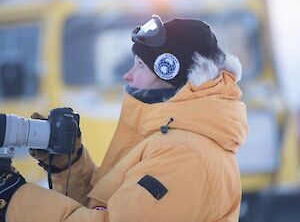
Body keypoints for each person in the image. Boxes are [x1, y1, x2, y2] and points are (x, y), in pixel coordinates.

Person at [0, 15, 247, 222]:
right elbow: (102, 209)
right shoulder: (165, 138)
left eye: (140, 66)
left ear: (169, 72)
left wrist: (16, 198)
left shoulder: (184, 155)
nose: (128, 76)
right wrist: (70, 165)